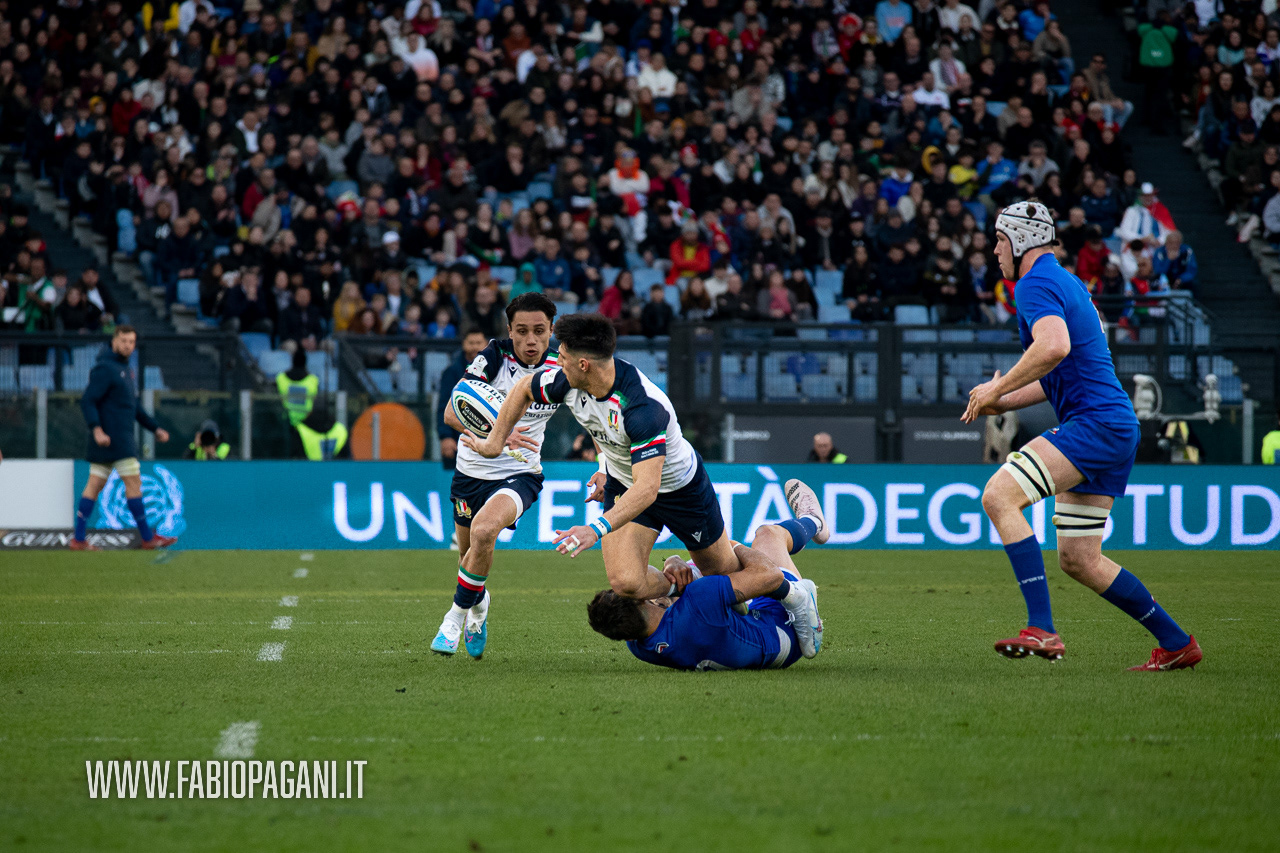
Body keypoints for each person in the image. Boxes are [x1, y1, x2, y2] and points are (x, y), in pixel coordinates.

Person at [464, 313, 827, 657]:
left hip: (680, 490)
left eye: (563, 356)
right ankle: (683, 578)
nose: (556, 362)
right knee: (626, 583)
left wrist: (595, 529)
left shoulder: (642, 408)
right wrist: (495, 443)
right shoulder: (565, 381)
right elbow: (523, 390)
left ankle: (799, 572)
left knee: (726, 576)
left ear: (584, 364)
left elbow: (648, 489)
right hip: (625, 482)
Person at [962, 202, 1200, 671]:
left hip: (1094, 423)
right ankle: (1177, 643)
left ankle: (1042, 628)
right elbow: (1056, 370)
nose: (995, 250)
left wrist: (996, 388)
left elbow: (1053, 347)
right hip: (1112, 424)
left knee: (998, 496)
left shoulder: (1034, 284)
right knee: (1079, 558)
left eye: (1000, 240)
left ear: (1021, 240)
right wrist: (1002, 401)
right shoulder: (1064, 281)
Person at [431, 293, 560, 658]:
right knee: (468, 557)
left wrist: (602, 465)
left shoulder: (561, 367)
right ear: (509, 330)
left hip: (520, 473)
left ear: (551, 330)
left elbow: (592, 409)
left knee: (485, 531)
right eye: (522, 331)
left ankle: (453, 620)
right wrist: (497, 433)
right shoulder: (492, 357)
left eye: (539, 331)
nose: (531, 340)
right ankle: (479, 608)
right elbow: (451, 414)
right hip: (470, 472)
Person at [587, 487, 829, 670]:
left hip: (744, 636)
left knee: (710, 582)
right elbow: (770, 576)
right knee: (767, 535)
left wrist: (673, 562)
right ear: (642, 598)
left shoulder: (638, 645)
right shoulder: (698, 601)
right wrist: (729, 547)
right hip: (783, 630)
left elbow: (670, 606)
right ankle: (813, 522)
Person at [72, 327, 176, 551]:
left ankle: (78, 539)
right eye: (124, 341)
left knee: (95, 485)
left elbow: (133, 407)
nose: (128, 345)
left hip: (112, 440)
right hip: (116, 439)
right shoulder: (105, 368)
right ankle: (147, 538)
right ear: (114, 341)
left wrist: (155, 428)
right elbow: (88, 400)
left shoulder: (125, 370)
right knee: (133, 483)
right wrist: (96, 429)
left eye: (131, 342)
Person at [435, 329, 489, 470]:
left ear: (486, 344)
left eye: (478, 343)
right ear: (464, 344)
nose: (475, 347)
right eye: (471, 343)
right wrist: (445, 437)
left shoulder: (495, 370)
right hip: (459, 440)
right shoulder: (452, 372)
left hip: (487, 441)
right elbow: (443, 406)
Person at [276, 348, 318, 436]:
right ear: (305, 363)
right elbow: (315, 401)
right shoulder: (313, 380)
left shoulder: (280, 378)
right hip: (306, 423)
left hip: (285, 423)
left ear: (292, 361)